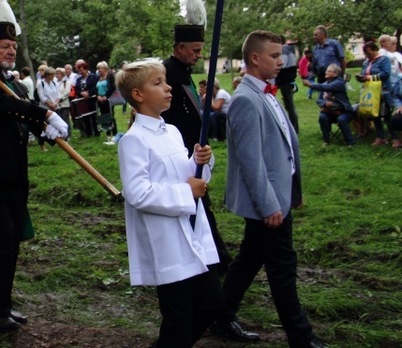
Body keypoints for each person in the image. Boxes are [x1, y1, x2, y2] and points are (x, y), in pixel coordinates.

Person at [212, 30, 327, 348]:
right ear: (254, 58)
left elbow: (282, 148)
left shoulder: (266, 93)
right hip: (268, 204)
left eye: (281, 55)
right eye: (275, 56)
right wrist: (269, 205)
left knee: (250, 258)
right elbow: (251, 161)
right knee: (282, 267)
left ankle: (220, 315)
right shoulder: (246, 100)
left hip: (279, 196)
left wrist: (292, 191)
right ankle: (301, 337)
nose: (281, 61)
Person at [0, 0, 68, 333]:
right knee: (1, 240)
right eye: (4, 45)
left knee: (10, 242)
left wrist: (46, 130)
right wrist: (45, 112)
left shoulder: (14, 83)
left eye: (13, 45)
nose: (10, 51)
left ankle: (3, 304)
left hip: (12, 173)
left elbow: (21, 117)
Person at [116, 59, 221, 347]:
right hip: (167, 242)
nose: (168, 87)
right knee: (178, 319)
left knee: (210, 303)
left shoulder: (172, 132)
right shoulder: (133, 140)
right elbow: (137, 193)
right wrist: (186, 192)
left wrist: (199, 162)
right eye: (158, 83)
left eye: (165, 80)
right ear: (138, 95)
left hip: (192, 232)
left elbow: (184, 176)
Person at [161, 24, 232, 274]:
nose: (199, 55)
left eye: (201, 50)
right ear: (180, 48)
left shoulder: (183, 70)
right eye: (195, 50)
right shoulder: (167, 72)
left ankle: (216, 258)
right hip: (180, 153)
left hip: (194, 151)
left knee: (201, 204)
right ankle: (218, 260)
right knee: (198, 204)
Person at [303, 63, 354, 147]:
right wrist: (324, 103)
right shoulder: (325, 84)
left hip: (344, 111)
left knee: (341, 119)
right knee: (323, 117)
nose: (326, 72)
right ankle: (326, 140)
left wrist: (311, 85)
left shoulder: (339, 82)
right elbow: (319, 100)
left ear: (335, 74)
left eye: (329, 71)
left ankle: (350, 142)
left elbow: (327, 88)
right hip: (330, 112)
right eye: (326, 70)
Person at [356, 41, 393, 146]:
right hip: (370, 92)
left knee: (386, 115)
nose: (368, 56)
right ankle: (381, 137)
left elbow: (385, 74)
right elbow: (364, 73)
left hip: (383, 91)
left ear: (375, 50)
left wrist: (369, 77)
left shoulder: (383, 60)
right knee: (374, 114)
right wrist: (361, 77)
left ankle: (395, 137)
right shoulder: (366, 62)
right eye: (366, 54)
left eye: (369, 53)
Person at [275, 37, 300, 133]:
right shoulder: (289, 49)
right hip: (286, 81)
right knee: (288, 105)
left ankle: (294, 128)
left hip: (285, 81)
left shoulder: (284, 51)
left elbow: (281, 65)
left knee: (289, 105)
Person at [36, 66, 60, 151]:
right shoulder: (40, 84)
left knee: (56, 126)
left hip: (55, 107)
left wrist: (55, 104)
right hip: (45, 108)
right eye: (52, 74)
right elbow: (42, 97)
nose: (53, 76)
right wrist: (50, 105)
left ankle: (58, 142)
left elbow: (58, 95)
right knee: (44, 127)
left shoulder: (54, 83)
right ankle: (42, 145)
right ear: (47, 75)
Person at [74, 59, 99, 137]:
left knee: (93, 116)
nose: (80, 72)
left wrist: (89, 93)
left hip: (91, 99)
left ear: (86, 69)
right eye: (79, 70)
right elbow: (76, 89)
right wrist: (82, 93)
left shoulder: (93, 77)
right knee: (85, 117)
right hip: (83, 100)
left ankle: (96, 132)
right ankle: (88, 133)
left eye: (81, 70)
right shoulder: (78, 79)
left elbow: (95, 86)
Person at [96, 61, 118, 135]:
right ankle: (108, 134)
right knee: (103, 116)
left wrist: (106, 96)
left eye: (100, 68)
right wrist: (98, 95)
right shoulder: (98, 78)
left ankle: (114, 133)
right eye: (98, 68)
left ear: (105, 68)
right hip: (100, 100)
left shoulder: (110, 76)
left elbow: (113, 87)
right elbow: (95, 88)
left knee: (110, 115)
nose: (99, 70)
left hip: (108, 99)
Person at [55, 67, 72, 141]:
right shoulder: (54, 82)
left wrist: (60, 99)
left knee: (66, 120)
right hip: (56, 104)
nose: (57, 75)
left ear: (62, 74)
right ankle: (61, 134)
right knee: (59, 120)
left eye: (58, 74)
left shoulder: (66, 82)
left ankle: (68, 135)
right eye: (56, 73)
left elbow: (67, 92)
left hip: (64, 104)